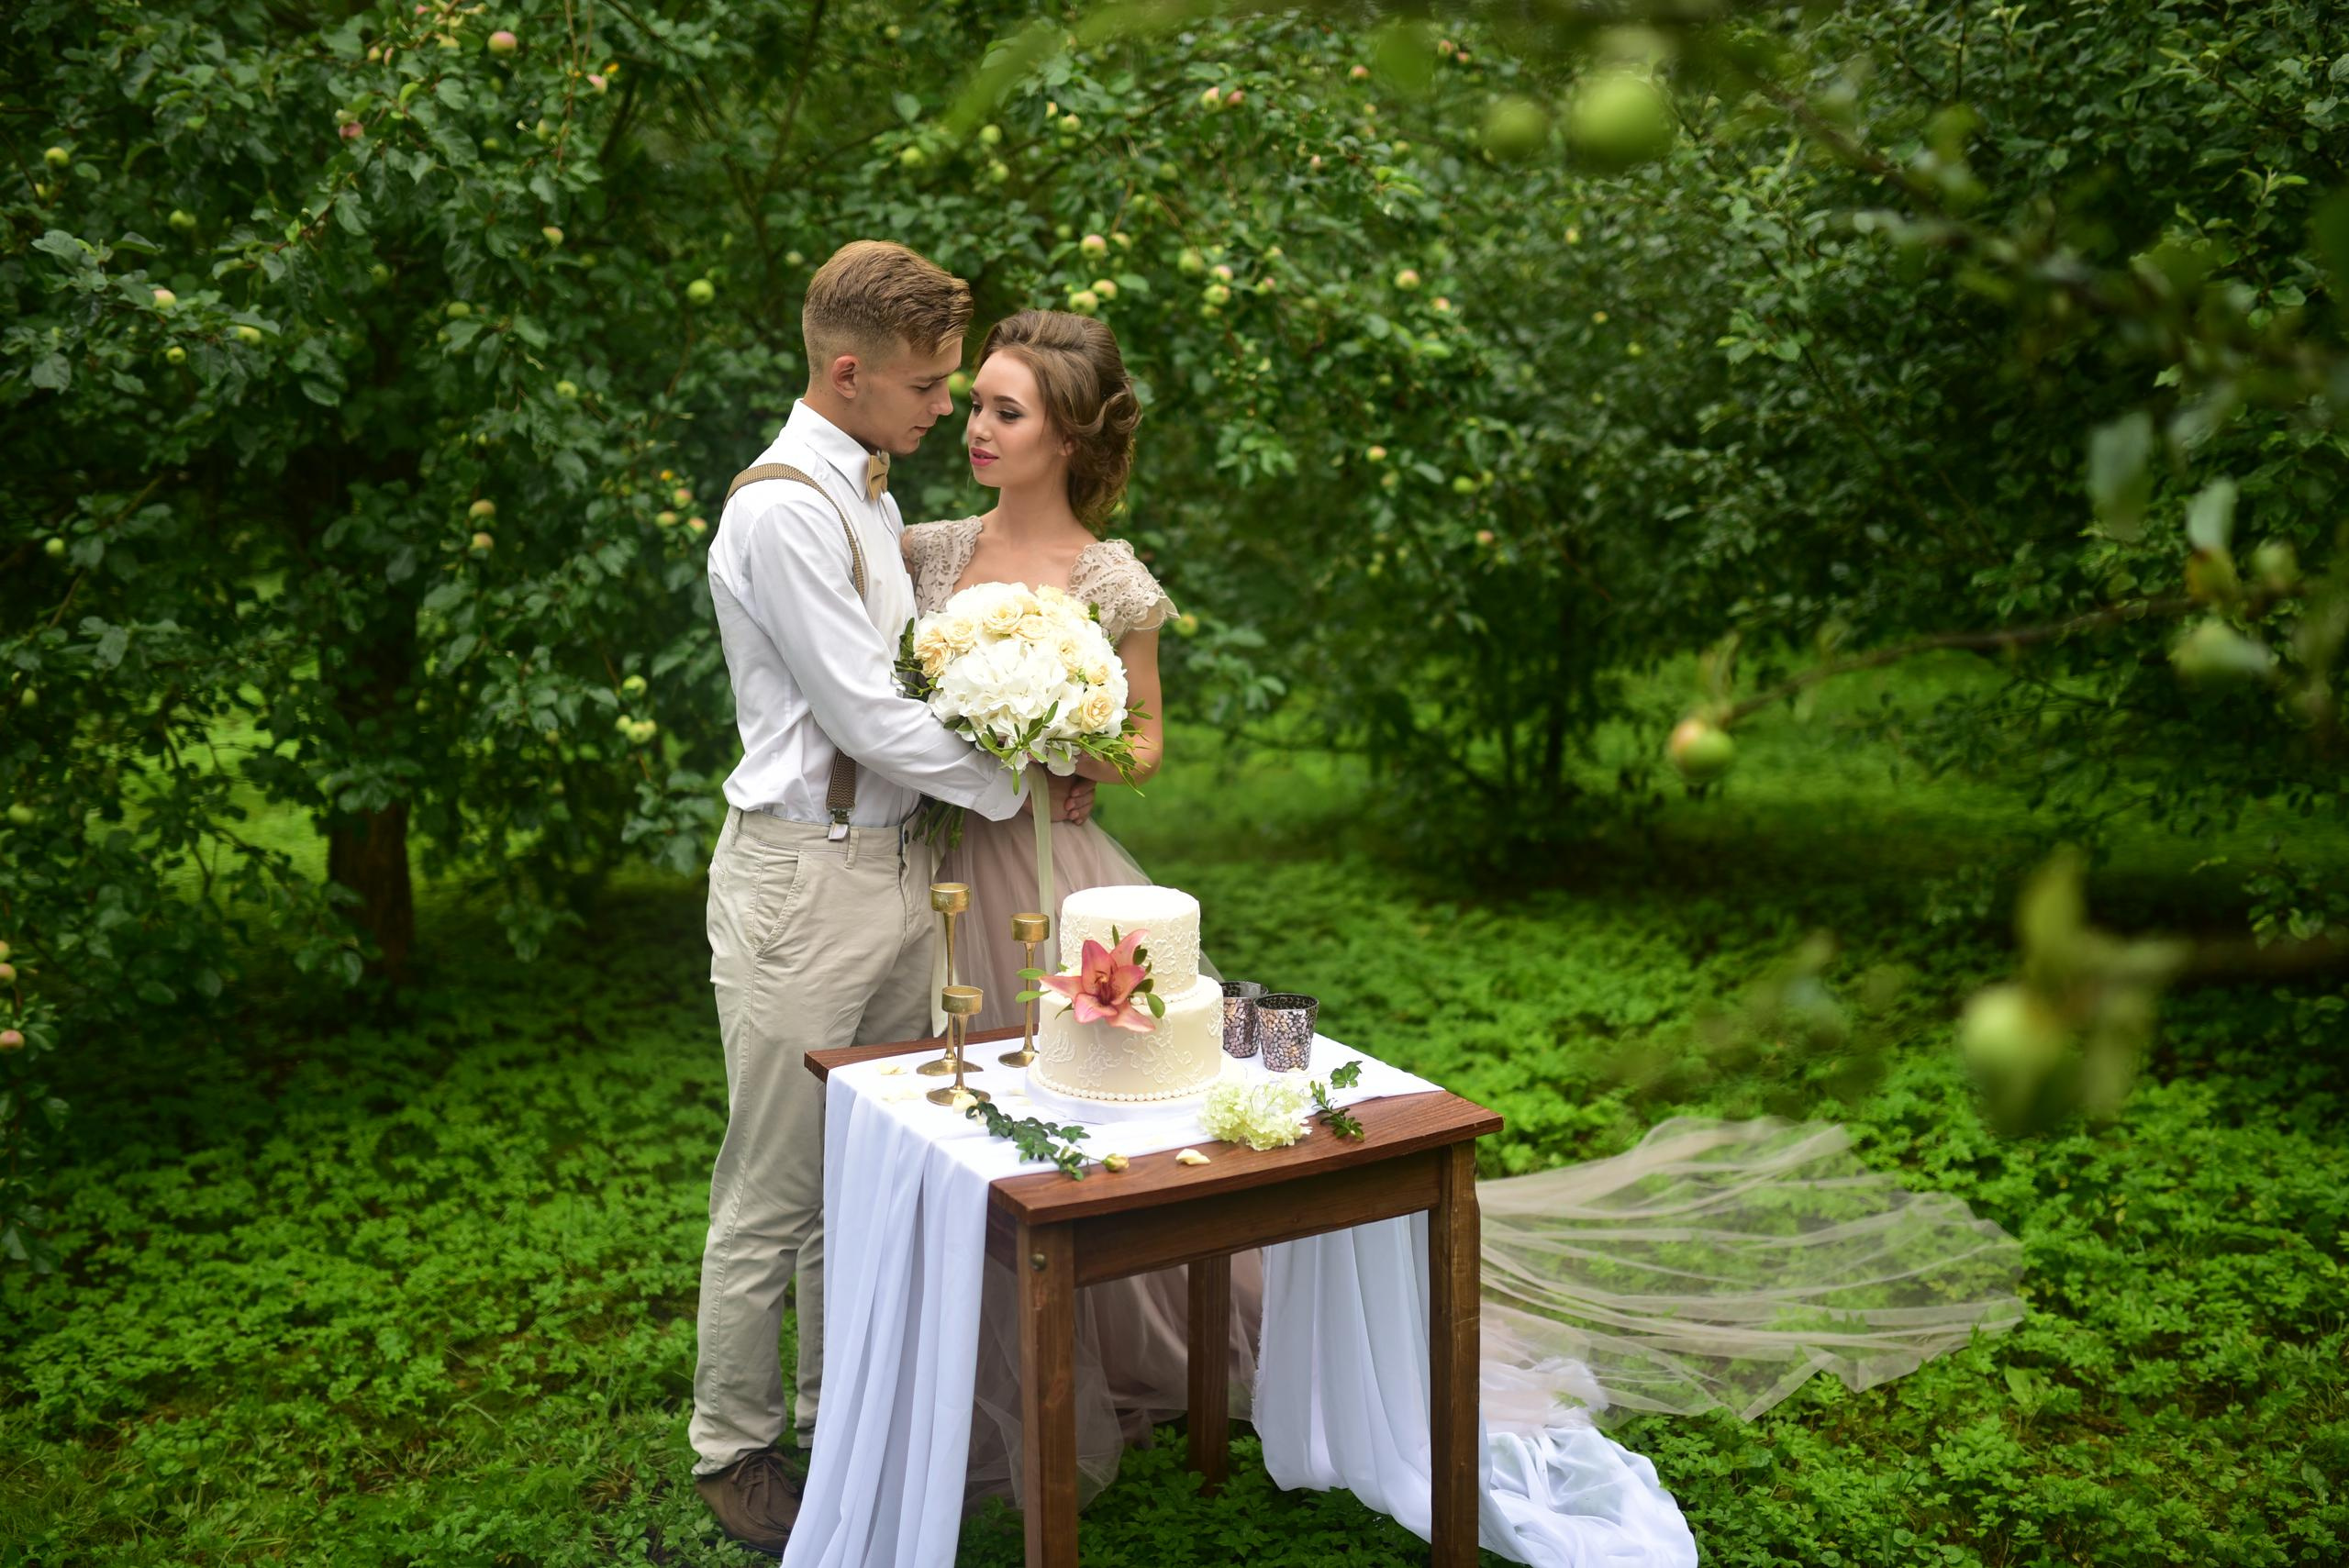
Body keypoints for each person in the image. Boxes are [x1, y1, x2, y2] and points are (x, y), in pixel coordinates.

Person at [906, 308, 2025, 1550]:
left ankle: (1124, 1342)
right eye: (973, 406)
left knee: (1096, 1108)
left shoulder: (1113, 581)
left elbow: (1148, 741)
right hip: (929, 877)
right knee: (960, 1117)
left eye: (1002, 409)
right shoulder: (926, 550)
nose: (975, 427)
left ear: (1064, 433)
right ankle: (955, 1359)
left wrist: (1063, 735)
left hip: (1061, 874)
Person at [692, 244, 1095, 1555]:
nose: (944, 407)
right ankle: (733, 1446)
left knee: (868, 1170)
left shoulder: (867, 489)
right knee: (774, 1183)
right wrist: (1010, 778)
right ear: (847, 370)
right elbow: (863, 711)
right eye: (927, 385)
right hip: (801, 878)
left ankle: (836, 1412)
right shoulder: (781, 509)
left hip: (893, 870)